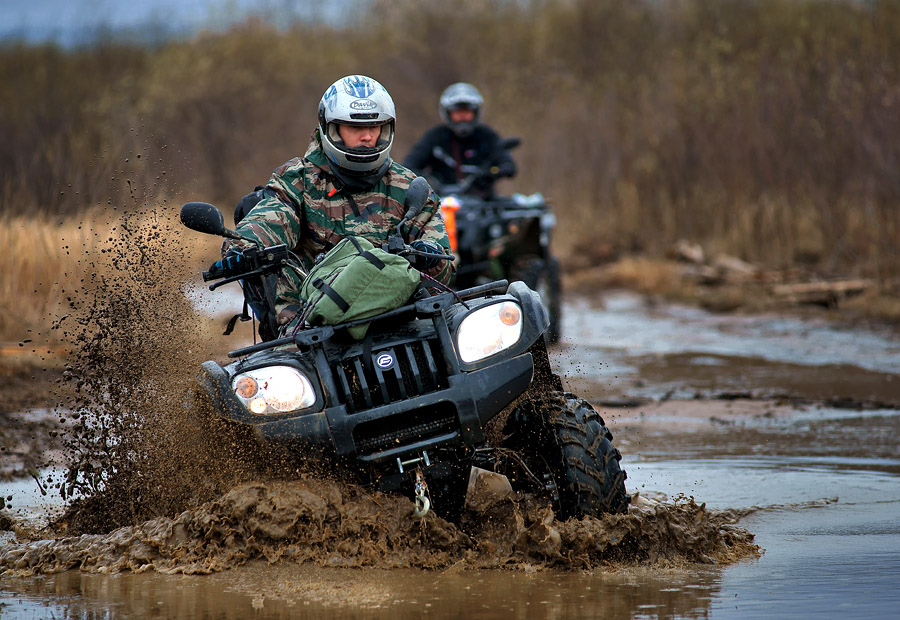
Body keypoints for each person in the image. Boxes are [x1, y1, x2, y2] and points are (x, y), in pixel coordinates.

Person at [221, 74, 454, 335]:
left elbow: (444, 265)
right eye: (356, 128)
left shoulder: (409, 186)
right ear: (331, 129)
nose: (367, 136)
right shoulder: (297, 180)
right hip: (310, 326)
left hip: (400, 319)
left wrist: (428, 253)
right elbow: (272, 217)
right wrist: (242, 248)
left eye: (375, 127)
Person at [403, 82, 516, 198]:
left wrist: (489, 174)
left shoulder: (487, 135)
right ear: (447, 113)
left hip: (483, 202)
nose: (462, 117)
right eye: (457, 112)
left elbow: (507, 164)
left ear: (475, 113)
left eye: (467, 112)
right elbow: (409, 165)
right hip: (441, 203)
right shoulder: (435, 137)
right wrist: (425, 178)